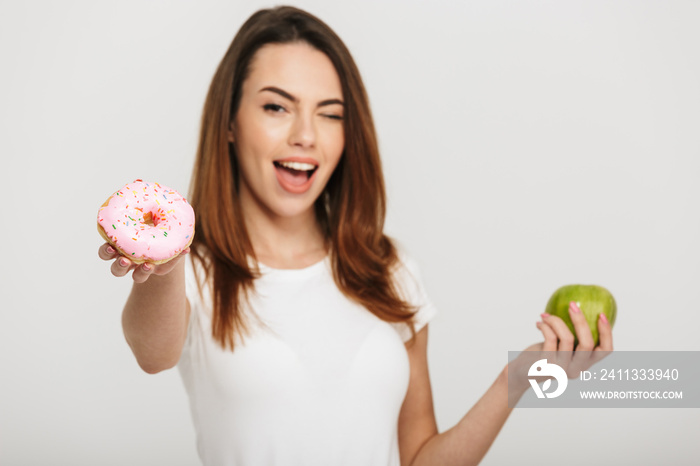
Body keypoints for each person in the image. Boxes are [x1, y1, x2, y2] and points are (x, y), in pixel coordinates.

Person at [98, 6, 613, 466]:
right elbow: (153, 353)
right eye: (277, 107)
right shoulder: (197, 270)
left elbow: (420, 460)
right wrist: (161, 265)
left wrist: (519, 379)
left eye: (331, 113)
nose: (306, 134)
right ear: (230, 122)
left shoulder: (389, 269)